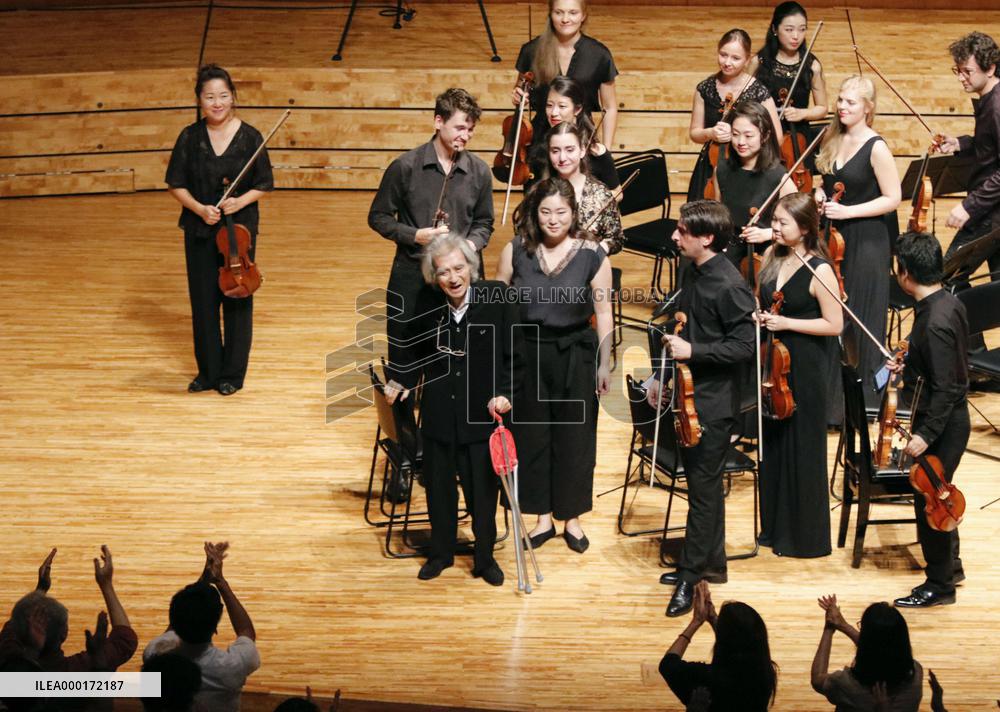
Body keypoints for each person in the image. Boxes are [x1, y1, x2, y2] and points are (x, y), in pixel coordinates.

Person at [384, 234, 523, 585]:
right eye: (443, 271)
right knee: (439, 491)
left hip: (482, 417)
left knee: (482, 495)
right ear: (435, 276)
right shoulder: (428, 302)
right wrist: (400, 379)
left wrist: (505, 393)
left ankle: (484, 557)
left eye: (459, 268)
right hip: (439, 415)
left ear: (472, 268)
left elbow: (515, 356)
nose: (453, 277)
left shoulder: (496, 298)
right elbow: (413, 350)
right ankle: (441, 553)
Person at [647, 200, 755, 616]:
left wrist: (696, 350)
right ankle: (712, 564)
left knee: (704, 493)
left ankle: (693, 577)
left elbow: (745, 346)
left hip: (713, 403)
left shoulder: (730, 286)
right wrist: (663, 374)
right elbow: (680, 325)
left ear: (706, 238)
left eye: (682, 231)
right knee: (701, 488)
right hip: (690, 394)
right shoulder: (692, 269)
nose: (674, 236)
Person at [495, 177, 613, 554]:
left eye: (561, 211)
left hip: (575, 353)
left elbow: (604, 310)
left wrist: (604, 363)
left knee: (575, 439)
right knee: (533, 437)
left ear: (573, 213)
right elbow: (498, 305)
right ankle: (542, 516)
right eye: (545, 211)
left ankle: (572, 518)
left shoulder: (594, 254)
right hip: (527, 353)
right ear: (534, 212)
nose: (553, 219)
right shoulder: (514, 250)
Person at [368, 88, 495, 385]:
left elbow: (484, 222)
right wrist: (414, 235)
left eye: (471, 130)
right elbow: (378, 217)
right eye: (460, 127)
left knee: (464, 355)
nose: (466, 136)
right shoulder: (405, 167)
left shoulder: (479, 172)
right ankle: (401, 428)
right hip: (412, 274)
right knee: (404, 356)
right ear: (438, 121)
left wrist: (469, 245)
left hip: (461, 276)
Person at [166, 64, 274, 397]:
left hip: (237, 230)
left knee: (237, 297)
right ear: (200, 100)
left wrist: (238, 202)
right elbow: (176, 184)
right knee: (203, 302)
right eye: (210, 96)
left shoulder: (251, 137)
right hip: (200, 229)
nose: (217, 103)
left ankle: (232, 374)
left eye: (223, 96)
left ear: (233, 98)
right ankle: (208, 372)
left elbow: (264, 184)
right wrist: (199, 208)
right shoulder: (190, 137)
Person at [756, 194, 842, 557]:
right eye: (774, 220)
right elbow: (758, 300)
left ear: (805, 228)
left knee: (802, 448)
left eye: (782, 222)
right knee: (774, 446)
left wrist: (786, 322)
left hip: (805, 366)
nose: (774, 227)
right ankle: (774, 529)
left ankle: (804, 537)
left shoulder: (819, 269)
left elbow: (834, 324)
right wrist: (758, 317)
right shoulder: (771, 257)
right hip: (774, 364)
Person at [886, 232, 969, 607]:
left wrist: (925, 434)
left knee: (931, 499)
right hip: (946, 417)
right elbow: (940, 365)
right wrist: (909, 363)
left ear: (904, 273)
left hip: (943, 421)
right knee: (941, 492)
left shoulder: (934, 321)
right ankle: (951, 565)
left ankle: (939, 584)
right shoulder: (946, 302)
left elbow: (948, 387)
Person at [815, 75, 901, 421]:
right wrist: (819, 196)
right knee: (834, 317)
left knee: (861, 316)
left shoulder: (876, 146)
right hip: (834, 237)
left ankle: (861, 404)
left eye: (850, 102)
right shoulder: (832, 136)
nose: (841, 107)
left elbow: (893, 198)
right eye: (839, 100)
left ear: (868, 107)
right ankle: (831, 404)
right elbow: (823, 181)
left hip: (867, 239)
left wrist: (848, 211)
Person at [144, 542, 260, 712]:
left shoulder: (155, 654)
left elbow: (182, 614)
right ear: (216, 626)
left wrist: (204, 580)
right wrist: (220, 582)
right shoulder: (232, 666)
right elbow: (246, 631)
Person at [513, 0, 618, 174]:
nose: (565, 19)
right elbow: (520, 92)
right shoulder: (531, 50)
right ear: (550, 14)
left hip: (582, 140)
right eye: (559, 12)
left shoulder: (599, 54)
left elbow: (610, 107)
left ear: (583, 15)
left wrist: (605, 151)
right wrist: (518, 98)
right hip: (540, 142)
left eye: (573, 13)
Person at [0, 546, 137, 673]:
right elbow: (124, 641)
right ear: (64, 634)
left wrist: (41, 589)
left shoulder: (7, 657)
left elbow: (12, 631)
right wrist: (106, 584)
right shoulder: (76, 672)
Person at [687, 29, 783, 202]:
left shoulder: (759, 92)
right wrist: (710, 133)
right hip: (711, 165)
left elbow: (777, 137)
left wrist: (745, 140)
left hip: (748, 168)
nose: (727, 62)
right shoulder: (705, 89)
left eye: (736, 58)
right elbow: (695, 133)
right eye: (723, 55)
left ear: (747, 59)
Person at [937, 33, 1000, 282]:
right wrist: (959, 143)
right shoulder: (990, 99)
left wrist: (968, 206)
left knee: (946, 279)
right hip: (991, 210)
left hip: (989, 213)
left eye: (967, 71)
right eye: (958, 70)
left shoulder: (997, 107)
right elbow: (990, 147)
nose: (961, 77)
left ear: (991, 68)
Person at [659, 581, 778, 711]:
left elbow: (668, 665)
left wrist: (696, 622)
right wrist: (714, 619)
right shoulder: (765, 674)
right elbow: (735, 644)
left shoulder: (705, 681)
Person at [715, 100, 796, 268]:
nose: (740, 142)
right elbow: (718, 215)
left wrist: (768, 234)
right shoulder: (721, 169)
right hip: (729, 250)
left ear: (765, 136)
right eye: (735, 134)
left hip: (765, 253)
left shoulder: (778, 176)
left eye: (748, 135)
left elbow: (800, 225)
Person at [751, 2, 828, 171]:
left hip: (798, 138)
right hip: (765, 136)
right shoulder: (759, 63)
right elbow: (744, 104)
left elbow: (822, 108)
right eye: (789, 29)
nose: (796, 36)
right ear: (774, 29)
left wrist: (803, 113)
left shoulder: (812, 66)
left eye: (802, 29)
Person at [813, 595, 923, 711]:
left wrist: (829, 628)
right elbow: (881, 649)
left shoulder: (847, 685)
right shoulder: (915, 673)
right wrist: (843, 625)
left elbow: (817, 679)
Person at [542, 122, 624, 255]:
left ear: (582, 150)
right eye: (555, 151)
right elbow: (525, 233)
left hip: (588, 269)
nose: (562, 158)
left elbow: (616, 239)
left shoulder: (600, 193)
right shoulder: (540, 192)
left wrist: (599, 249)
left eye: (570, 150)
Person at [533, 75, 620, 191]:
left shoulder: (596, 152)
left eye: (562, 106)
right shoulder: (539, 148)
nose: (553, 112)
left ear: (577, 109)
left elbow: (617, 193)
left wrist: (589, 202)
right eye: (549, 105)